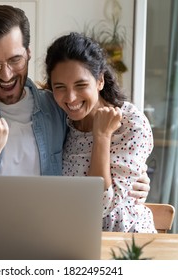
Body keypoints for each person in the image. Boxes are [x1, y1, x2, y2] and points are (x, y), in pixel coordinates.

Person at [0, 5, 150, 227]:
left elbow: (89, 161)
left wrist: (133, 181)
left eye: (15, 60)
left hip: (47, 238)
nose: (6, 75)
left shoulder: (57, 107)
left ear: (28, 53)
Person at [44, 32, 156, 233]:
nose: (70, 98)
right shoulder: (60, 120)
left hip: (126, 243)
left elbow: (98, 206)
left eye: (81, 85)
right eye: (60, 87)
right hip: (73, 239)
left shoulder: (131, 124)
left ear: (100, 81)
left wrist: (102, 137)